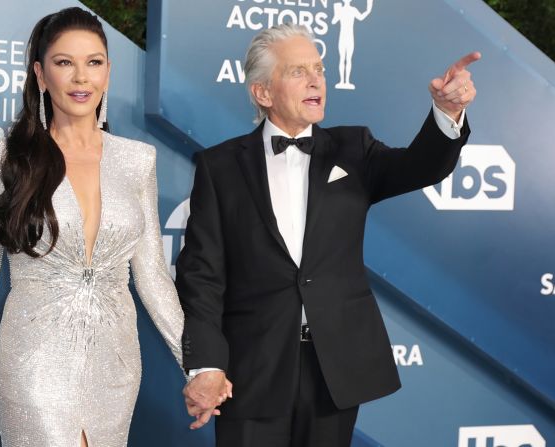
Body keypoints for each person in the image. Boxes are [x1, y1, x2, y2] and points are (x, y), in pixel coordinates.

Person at [177, 23, 478, 446]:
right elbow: (202, 276)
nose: (316, 79)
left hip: (333, 367)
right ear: (263, 92)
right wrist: (206, 364)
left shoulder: (354, 148)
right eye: (297, 71)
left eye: (318, 68)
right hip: (253, 368)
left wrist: (447, 115)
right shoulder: (219, 167)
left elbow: (422, 166)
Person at [0, 8, 184, 447]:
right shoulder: (5, 158)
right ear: (40, 74)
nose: (81, 78)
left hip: (116, 363)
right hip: (35, 360)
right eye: (64, 62)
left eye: (94, 62)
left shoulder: (137, 161)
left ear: (108, 72)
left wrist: (196, 365)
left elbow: (151, 275)